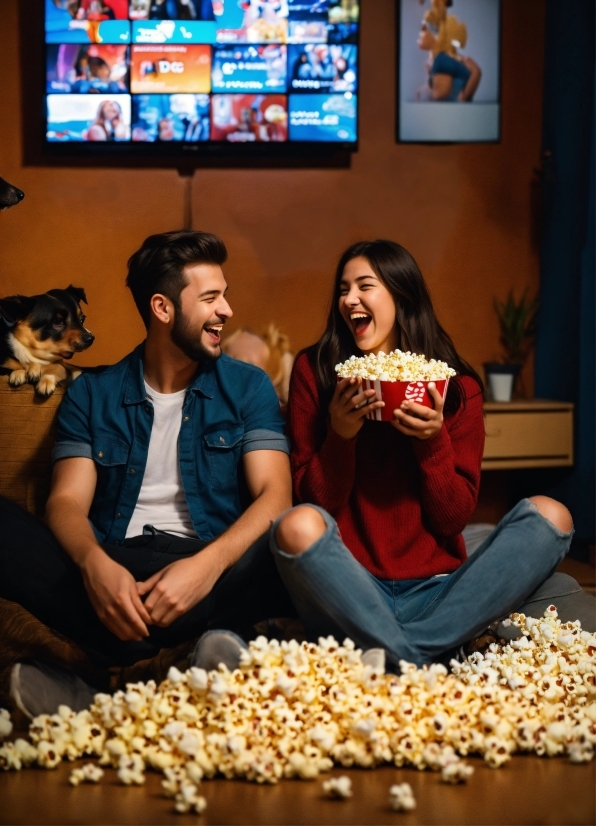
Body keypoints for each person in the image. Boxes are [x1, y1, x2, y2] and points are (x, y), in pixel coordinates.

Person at [0, 230, 293, 716]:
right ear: (163, 308)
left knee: (293, 547)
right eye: (211, 298)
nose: (226, 310)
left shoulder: (248, 387)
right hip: (117, 565)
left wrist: (206, 568)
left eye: (226, 296)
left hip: (210, 571)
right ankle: (178, 664)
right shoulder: (93, 393)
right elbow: (66, 501)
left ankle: (98, 680)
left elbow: (275, 494)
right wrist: (95, 567)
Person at [268, 240, 595, 671]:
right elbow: (316, 506)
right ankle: (431, 653)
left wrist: (432, 442)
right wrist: (340, 436)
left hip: (438, 589)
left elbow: (452, 519)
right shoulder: (318, 371)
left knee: (553, 516)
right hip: (350, 587)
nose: (349, 300)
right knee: (295, 526)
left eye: (365, 286)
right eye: (343, 289)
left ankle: (401, 652)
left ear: (402, 295)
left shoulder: (457, 388)